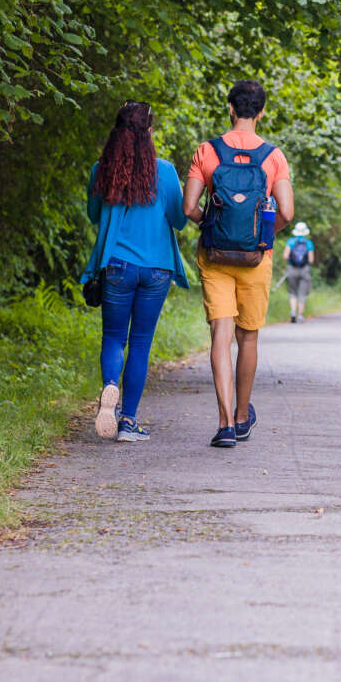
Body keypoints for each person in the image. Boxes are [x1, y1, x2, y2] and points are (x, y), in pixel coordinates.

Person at [183, 80, 295, 448]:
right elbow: (287, 213)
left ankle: (225, 423)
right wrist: (262, 237)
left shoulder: (207, 151)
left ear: (230, 107)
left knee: (221, 335)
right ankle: (244, 415)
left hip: (214, 257)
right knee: (248, 338)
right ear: (261, 111)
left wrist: (212, 226)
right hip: (256, 259)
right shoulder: (273, 156)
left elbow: (188, 208)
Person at [80, 101, 189, 443]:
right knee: (140, 343)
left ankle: (110, 385)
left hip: (116, 266)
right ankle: (128, 422)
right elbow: (180, 220)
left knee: (114, 337)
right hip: (156, 269)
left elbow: (94, 215)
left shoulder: (103, 170)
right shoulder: (166, 172)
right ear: (150, 132)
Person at [282, 222, 315, 323]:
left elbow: (285, 256)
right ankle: (300, 315)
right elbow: (311, 260)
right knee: (302, 294)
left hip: (292, 269)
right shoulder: (308, 243)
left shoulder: (291, 241)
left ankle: (293, 313)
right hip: (304, 270)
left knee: (293, 292)